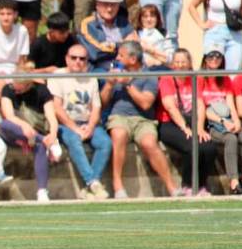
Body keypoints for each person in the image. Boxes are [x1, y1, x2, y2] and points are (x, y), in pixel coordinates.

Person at [101, 41, 179, 198]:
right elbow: (103, 103)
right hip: (119, 117)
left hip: (144, 120)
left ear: (132, 59)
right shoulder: (114, 73)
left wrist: (128, 84)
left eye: (121, 55)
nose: (117, 57)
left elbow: (145, 103)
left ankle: (172, 187)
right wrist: (109, 85)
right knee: (119, 135)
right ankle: (118, 186)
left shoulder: (148, 76)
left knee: (149, 143)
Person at [48, 44, 111, 199]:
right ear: (66, 59)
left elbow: (96, 108)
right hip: (64, 124)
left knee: (105, 143)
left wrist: (89, 127)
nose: (77, 61)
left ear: (87, 61)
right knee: (74, 141)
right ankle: (93, 182)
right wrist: (75, 128)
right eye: (73, 58)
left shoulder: (91, 79)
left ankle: (89, 187)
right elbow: (57, 108)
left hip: (87, 122)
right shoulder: (57, 76)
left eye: (82, 58)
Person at [0, 62, 61, 202]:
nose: (16, 91)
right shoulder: (7, 89)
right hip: (15, 133)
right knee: (5, 125)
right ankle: (44, 141)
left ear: (29, 85)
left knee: (40, 146)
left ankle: (42, 191)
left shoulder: (42, 90)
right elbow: (8, 116)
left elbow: (52, 117)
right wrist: (25, 126)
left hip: (33, 135)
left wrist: (53, 133)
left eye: (19, 90)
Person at [157, 48, 215, 196]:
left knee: (208, 147)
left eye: (183, 62)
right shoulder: (166, 80)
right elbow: (170, 107)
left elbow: (200, 104)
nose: (180, 65)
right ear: (172, 64)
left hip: (192, 121)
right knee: (192, 145)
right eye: (177, 62)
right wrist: (185, 128)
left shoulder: (195, 78)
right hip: (170, 123)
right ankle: (188, 185)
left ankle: (201, 184)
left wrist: (200, 128)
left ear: (189, 63)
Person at [200, 46, 242, 194]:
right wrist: (223, 121)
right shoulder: (199, 79)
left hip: (229, 119)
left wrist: (236, 122)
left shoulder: (225, 80)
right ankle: (234, 182)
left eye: (218, 57)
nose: (214, 59)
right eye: (211, 57)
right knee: (231, 139)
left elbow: (230, 104)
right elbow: (203, 109)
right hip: (213, 123)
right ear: (205, 60)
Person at [77, 0, 136, 71]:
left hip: (126, 67)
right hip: (101, 68)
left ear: (118, 7)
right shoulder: (88, 25)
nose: (109, 9)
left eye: (113, 5)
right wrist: (119, 45)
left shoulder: (124, 23)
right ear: (97, 5)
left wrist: (110, 46)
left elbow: (135, 47)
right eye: (105, 4)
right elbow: (94, 53)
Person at [135, 4, 174, 68]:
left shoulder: (164, 33)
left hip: (161, 68)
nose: (149, 19)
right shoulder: (136, 34)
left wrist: (151, 50)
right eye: (145, 16)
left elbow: (170, 57)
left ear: (157, 18)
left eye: (152, 16)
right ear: (140, 19)